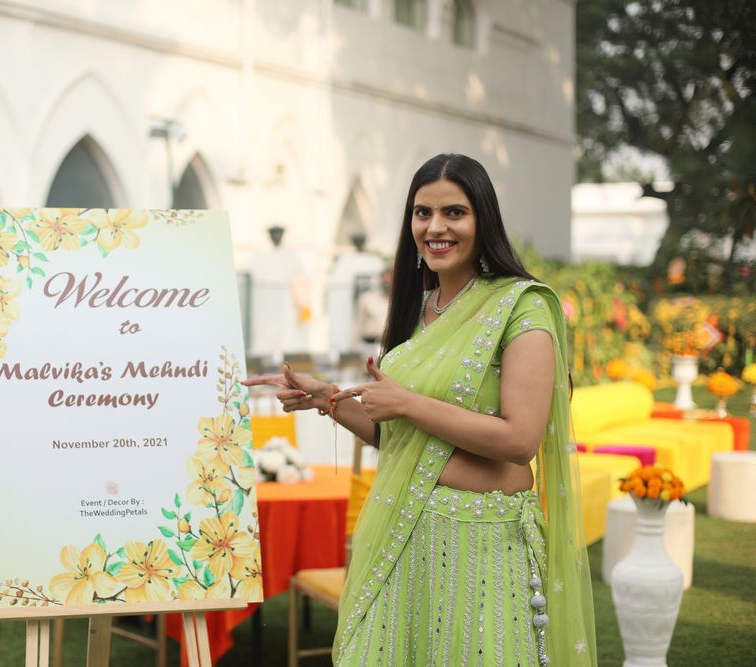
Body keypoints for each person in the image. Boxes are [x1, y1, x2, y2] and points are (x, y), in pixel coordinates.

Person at [243, 153, 596, 666]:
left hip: (482, 543)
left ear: (484, 220)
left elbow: (521, 440)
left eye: (454, 212)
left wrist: (408, 402)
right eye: (421, 213)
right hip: (406, 538)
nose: (435, 227)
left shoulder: (521, 307)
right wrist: (328, 401)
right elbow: (403, 439)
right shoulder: (421, 310)